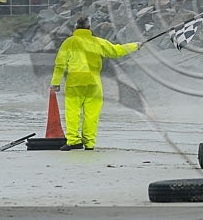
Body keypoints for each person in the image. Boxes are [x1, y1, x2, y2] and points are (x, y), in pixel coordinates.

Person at [50, 15, 141, 151]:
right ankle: (90, 143)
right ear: (89, 27)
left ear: (75, 27)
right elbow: (117, 51)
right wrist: (135, 46)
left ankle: (74, 141)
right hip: (94, 83)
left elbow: (60, 65)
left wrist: (55, 82)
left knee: (73, 112)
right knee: (91, 115)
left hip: (75, 82)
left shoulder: (69, 42)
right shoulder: (98, 42)